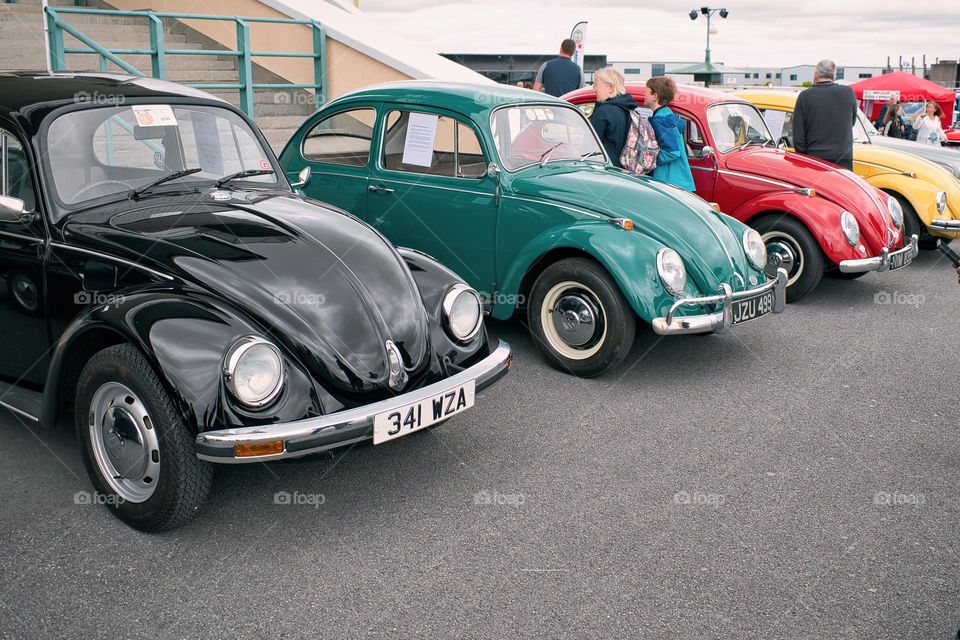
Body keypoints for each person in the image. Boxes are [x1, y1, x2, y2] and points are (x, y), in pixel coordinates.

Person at [792, 59, 858, 170]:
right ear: (834, 76)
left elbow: (799, 141)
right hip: (843, 161)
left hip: (813, 162)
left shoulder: (805, 97)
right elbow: (851, 122)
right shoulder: (848, 92)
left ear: (815, 75)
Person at [644, 76, 695, 191]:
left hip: (669, 182)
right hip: (679, 180)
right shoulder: (668, 115)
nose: (644, 95)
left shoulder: (660, 120)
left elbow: (672, 152)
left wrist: (651, 161)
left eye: (646, 92)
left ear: (654, 96)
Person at [588, 67, 637, 168]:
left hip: (605, 168)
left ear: (610, 88)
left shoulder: (602, 112)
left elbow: (589, 146)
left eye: (596, 84)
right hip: (625, 168)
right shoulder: (629, 110)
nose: (594, 88)